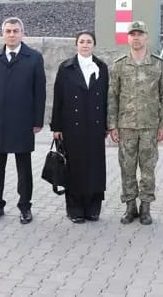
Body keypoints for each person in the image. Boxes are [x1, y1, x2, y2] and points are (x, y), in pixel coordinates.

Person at [0, 17, 46, 225]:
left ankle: (25, 207)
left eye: (15, 31)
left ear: (22, 33)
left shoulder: (34, 58)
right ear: (3, 34)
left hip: (23, 121)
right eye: (8, 31)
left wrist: (37, 120)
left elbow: (40, 92)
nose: (11, 34)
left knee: (24, 168)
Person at [108, 21, 163, 225]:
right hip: (125, 126)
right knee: (127, 168)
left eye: (140, 34)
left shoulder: (158, 64)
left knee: (148, 169)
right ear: (128, 38)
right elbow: (112, 96)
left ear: (146, 37)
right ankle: (130, 207)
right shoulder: (119, 65)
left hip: (149, 126)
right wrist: (112, 125)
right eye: (132, 34)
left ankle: (145, 207)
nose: (136, 38)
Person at [51, 31, 109, 223]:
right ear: (76, 44)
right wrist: (56, 127)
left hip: (95, 125)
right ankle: (74, 209)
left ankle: (93, 208)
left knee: (95, 167)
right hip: (72, 126)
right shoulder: (65, 67)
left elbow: (107, 97)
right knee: (74, 167)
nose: (85, 45)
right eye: (82, 41)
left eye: (89, 41)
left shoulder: (102, 67)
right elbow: (58, 98)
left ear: (94, 45)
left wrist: (107, 124)